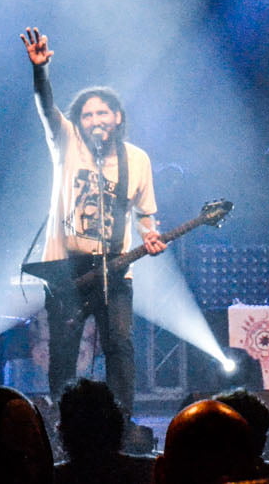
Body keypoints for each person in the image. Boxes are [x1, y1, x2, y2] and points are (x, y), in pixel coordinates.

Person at [20, 27, 166, 417]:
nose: (95, 119)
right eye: (87, 114)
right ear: (78, 122)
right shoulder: (66, 143)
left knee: (120, 346)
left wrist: (150, 236)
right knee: (64, 350)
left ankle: (121, 422)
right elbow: (45, 107)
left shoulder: (137, 159)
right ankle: (63, 422)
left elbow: (145, 214)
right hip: (66, 269)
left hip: (115, 268)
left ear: (117, 117)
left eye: (102, 112)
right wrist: (40, 71)